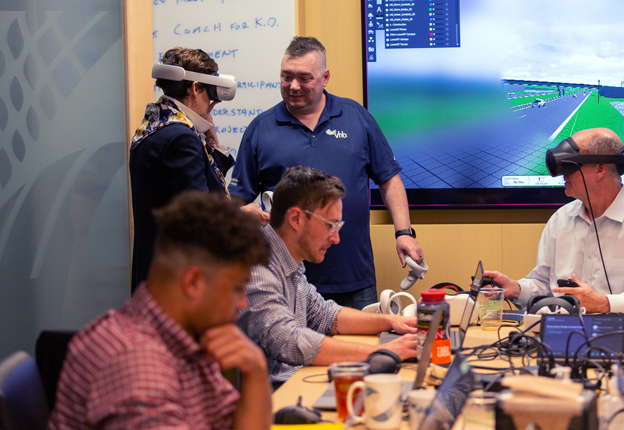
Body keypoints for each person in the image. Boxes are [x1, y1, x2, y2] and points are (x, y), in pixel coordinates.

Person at [48, 191, 273, 429]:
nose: (242, 303)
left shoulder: (186, 342)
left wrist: (256, 370)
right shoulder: (136, 365)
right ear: (193, 282)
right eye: (237, 288)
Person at [228, 36, 423, 309]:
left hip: (354, 279)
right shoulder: (260, 129)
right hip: (286, 282)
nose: (293, 86)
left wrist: (404, 232)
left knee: (360, 351)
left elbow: (389, 178)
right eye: (286, 77)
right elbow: (237, 201)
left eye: (304, 78)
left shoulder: (356, 117)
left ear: (325, 77)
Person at [237, 166, 418, 389]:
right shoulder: (255, 269)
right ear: (296, 218)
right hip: (275, 401)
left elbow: (326, 315)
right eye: (330, 225)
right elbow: (290, 340)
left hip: (296, 384)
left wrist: (392, 322)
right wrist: (382, 352)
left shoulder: (289, 260)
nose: (336, 238)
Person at [485, 128, 624, 315]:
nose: (563, 174)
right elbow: (546, 286)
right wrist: (516, 288)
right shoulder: (560, 220)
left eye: (571, 165)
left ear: (600, 169)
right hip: (561, 336)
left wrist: (605, 303)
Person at [130, 47, 257, 292]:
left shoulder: (155, 127)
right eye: (210, 94)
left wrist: (213, 144)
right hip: (178, 281)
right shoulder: (181, 138)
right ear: (196, 88)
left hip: (155, 272)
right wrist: (242, 215)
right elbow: (201, 217)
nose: (214, 103)